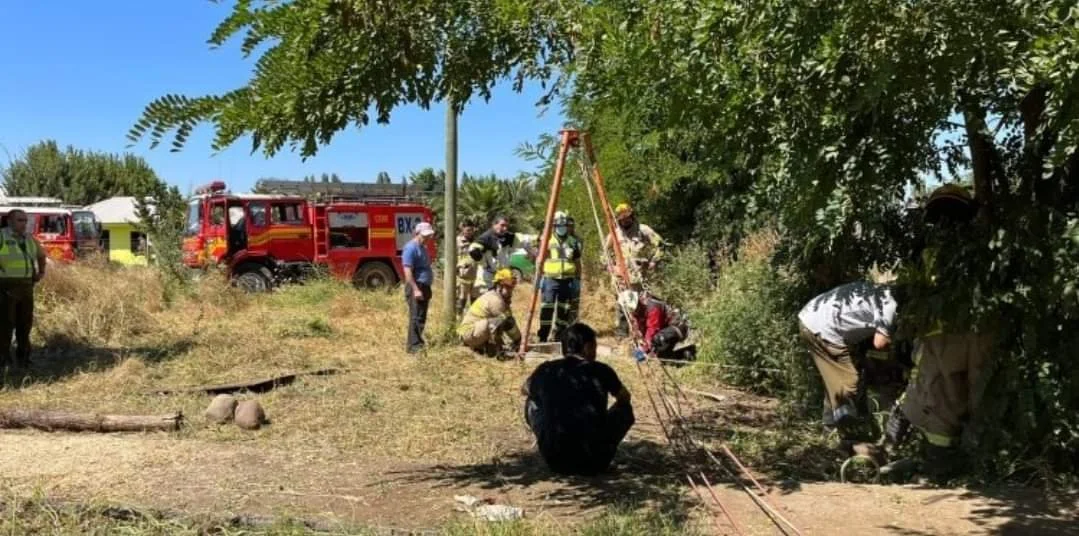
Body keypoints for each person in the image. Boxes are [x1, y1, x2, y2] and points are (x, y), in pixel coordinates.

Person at [883, 184, 992, 480]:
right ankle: (974, 461)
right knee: (973, 397)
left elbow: (908, 294)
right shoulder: (985, 245)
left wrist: (906, 334)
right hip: (981, 333)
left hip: (939, 336)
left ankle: (934, 463)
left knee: (935, 398)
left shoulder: (925, 248)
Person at [522, 323, 635, 476]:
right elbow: (624, 398)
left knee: (531, 402)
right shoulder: (602, 370)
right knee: (625, 409)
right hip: (596, 460)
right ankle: (600, 446)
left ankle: (549, 441)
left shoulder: (546, 369)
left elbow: (525, 389)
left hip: (556, 462)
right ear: (588, 347)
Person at [798, 280, 898, 438]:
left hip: (813, 316)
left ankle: (830, 429)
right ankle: (847, 433)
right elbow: (880, 343)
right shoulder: (891, 303)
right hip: (821, 328)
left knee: (835, 380)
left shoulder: (883, 290)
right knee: (848, 382)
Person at [603, 203, 663, 337]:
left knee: (640, 305)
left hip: (639, 276)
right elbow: (604, 253)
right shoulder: (615, 233)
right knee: (623, 305)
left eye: (627, 218)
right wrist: (610, 267)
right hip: (620, 277)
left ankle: (643, 334)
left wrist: (653, 261)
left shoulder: (643, 230)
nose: (625, 221)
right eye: (622, 219)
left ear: (632, 216)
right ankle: (622, 335)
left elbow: (660, 245)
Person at [0, 209, 47, 368]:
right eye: (20, 220)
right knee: (5, 325)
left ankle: (24, 358)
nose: (24, 223)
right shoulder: (2, 236)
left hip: (26, 286)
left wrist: (41, 272)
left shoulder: (29, 239)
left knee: (25, 324)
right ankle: (4, 360)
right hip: (5, 287)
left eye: (25, 220)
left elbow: (41, 255)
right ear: (9, 222)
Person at [538, 211, 583, 342]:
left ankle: (559, 336)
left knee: (564, 310)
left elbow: (577, 262)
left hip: (567, 281)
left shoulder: (573, 242)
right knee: (547, 309)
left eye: (564, 225)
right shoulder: (547, 240)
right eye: (558, 225)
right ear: (554, 226)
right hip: (550, 280)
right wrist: (539, 278)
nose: (561, 228)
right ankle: (543, 337)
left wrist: (578, 279)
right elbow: (539, 259)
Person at [458, 268, 522, 357]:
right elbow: (508, 322)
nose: (510, 291)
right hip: (469, 334)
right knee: (499, 320)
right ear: (499, 286)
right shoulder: (495, 300)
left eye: (511, 287)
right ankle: (492, 349)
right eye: (508, 287)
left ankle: (485, 347)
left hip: (475, 332)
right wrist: (519, 340)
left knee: (500, 320)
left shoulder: (498, 297)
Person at [617, 289, 695, 360]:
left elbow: (652, 329)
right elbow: (641, 326)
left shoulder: (653, 307)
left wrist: (643, 349)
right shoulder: (639, 307)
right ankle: (686, 354)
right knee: (661, 357)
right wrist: (640, 341)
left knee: (657, 339)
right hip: (665, 328)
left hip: (678, 327)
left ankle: (693, 351)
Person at [468, 215, 536, 292]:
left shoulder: (509, 237)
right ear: (494, 224)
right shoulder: (485, 238)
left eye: (506, 226)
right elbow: (473, 250)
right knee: (490, 298)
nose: (505, 228)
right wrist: (484, 263)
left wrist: (537, 241)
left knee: (505, 299)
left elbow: (525, 240)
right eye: (502, 225)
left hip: (504, 275)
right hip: (489, 276)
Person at [402, 221, 436, 354]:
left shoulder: (423, 247)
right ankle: (413, 347)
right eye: (425, 236)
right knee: (415, 317)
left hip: (425, 286)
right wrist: (415, 289)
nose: (427, 238)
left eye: (429, 236)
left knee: (421, 316)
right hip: (417, 286)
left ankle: (418, 342)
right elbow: (408, 271)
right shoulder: (411, 248)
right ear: (417, 234)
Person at [455, 220, 480, 316]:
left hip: (476, 276)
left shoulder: (477, 241)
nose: (470, 232)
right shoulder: (457, 241)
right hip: (462, 277)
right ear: (462, 229)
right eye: (468, 230)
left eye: (472, 230)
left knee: (475, 302)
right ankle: (458, 321)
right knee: (461, 301)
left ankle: (472, 321)